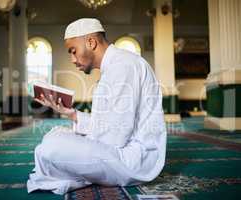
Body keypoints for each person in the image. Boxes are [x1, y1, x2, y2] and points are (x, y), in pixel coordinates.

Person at [27, 18, 167, 195]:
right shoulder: (115, 66)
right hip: (120, 148)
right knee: (54, 136)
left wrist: (82, 141)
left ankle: (72, 171)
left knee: (51, 147)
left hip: (132, 158)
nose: (72, 59)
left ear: (91, 42)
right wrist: (72, 114)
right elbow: (108, 124)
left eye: (73, 51)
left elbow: (115, 137)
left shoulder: (123, 66)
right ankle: (74, 169)